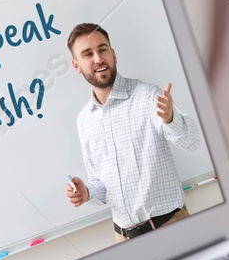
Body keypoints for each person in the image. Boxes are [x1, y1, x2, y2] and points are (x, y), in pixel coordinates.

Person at [63, 22, 200, 240]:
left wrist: (170, 119)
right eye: (88, 54)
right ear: (76, 65)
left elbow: (193, 142)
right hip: (123, 238)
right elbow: (102, 186)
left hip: (170, 227)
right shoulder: (84, 120)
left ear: (113, 54)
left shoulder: (147, 96)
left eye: (102, 49)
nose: (98, 59)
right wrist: (86, 192)